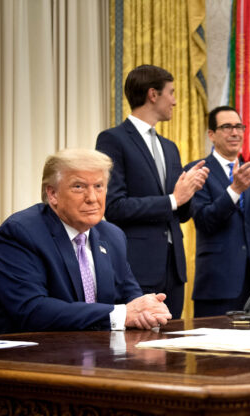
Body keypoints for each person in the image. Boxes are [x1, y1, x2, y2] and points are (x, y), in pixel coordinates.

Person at [0, 149, 172, 336]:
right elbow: (32, 310)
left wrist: (148, 309)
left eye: (99, 186)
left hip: (90, 354)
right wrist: (120, 314)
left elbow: (130, 297)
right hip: (17, 357)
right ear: (52, 194)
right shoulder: (22, 232)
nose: (92, 198)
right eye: (79, 187)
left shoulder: (112, 236)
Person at [96, 65, 209, 319]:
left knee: (174, 351)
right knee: (139, 351)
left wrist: (190, 191)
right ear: (153, 95)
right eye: (171, 92)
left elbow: (180, 214)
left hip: (174, 268)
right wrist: (173, 199)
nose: (175, 101)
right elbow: (114, 207)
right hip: (137, 266)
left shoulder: (170, 148)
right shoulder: (112, 139)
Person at [185, 106, 250, 317]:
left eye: (238, 127)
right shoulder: (198, 170)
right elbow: (204, 221)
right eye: (226, 127)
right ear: (211, 134)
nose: (234, 133)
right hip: (217, 283)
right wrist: (235, 190)